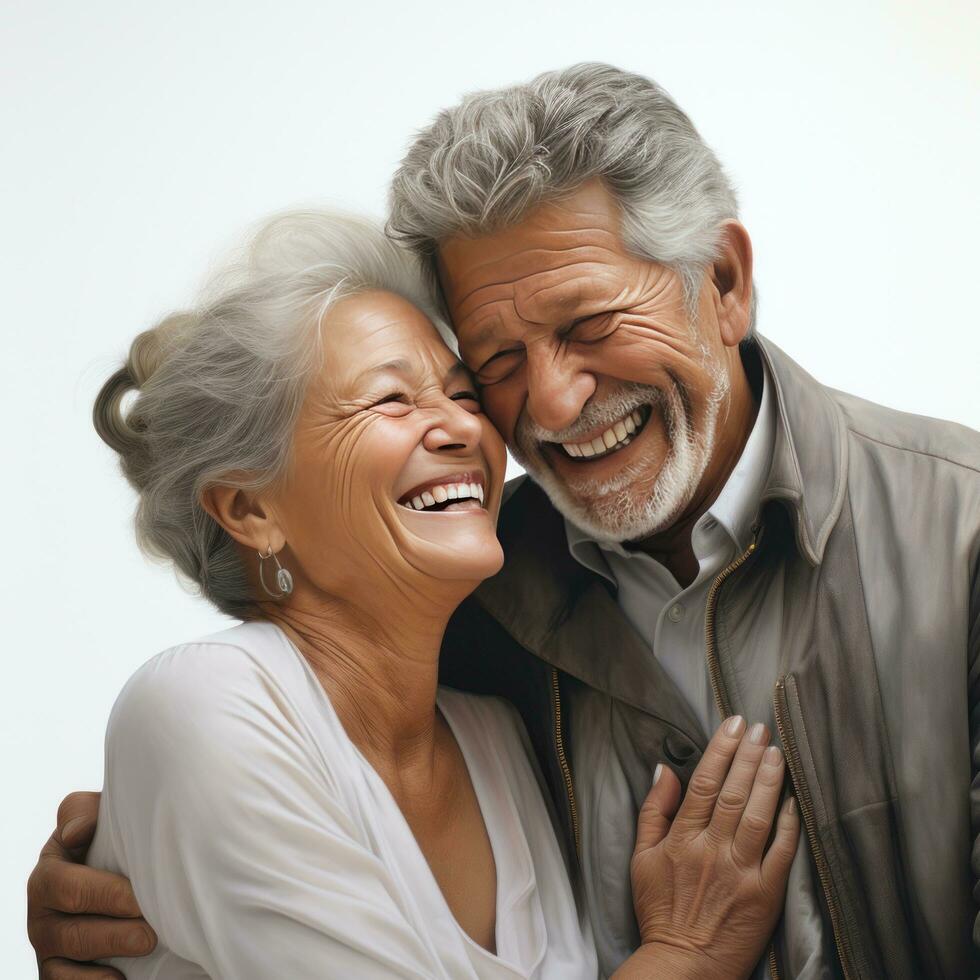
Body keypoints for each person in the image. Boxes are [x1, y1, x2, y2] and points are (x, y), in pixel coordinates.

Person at [27, 62, 980, 978]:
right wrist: (132, 873)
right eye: (496, 359)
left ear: (723, 283)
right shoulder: (472, 605)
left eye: (589, 324)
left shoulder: (959, 535)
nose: (554, 405)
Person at [27, 208, 798, 980]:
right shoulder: (204, 703)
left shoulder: (493, 738)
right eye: (390, 400)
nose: (461, 430)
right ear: (250, 509)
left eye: (465, 396)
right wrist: (687, 954)